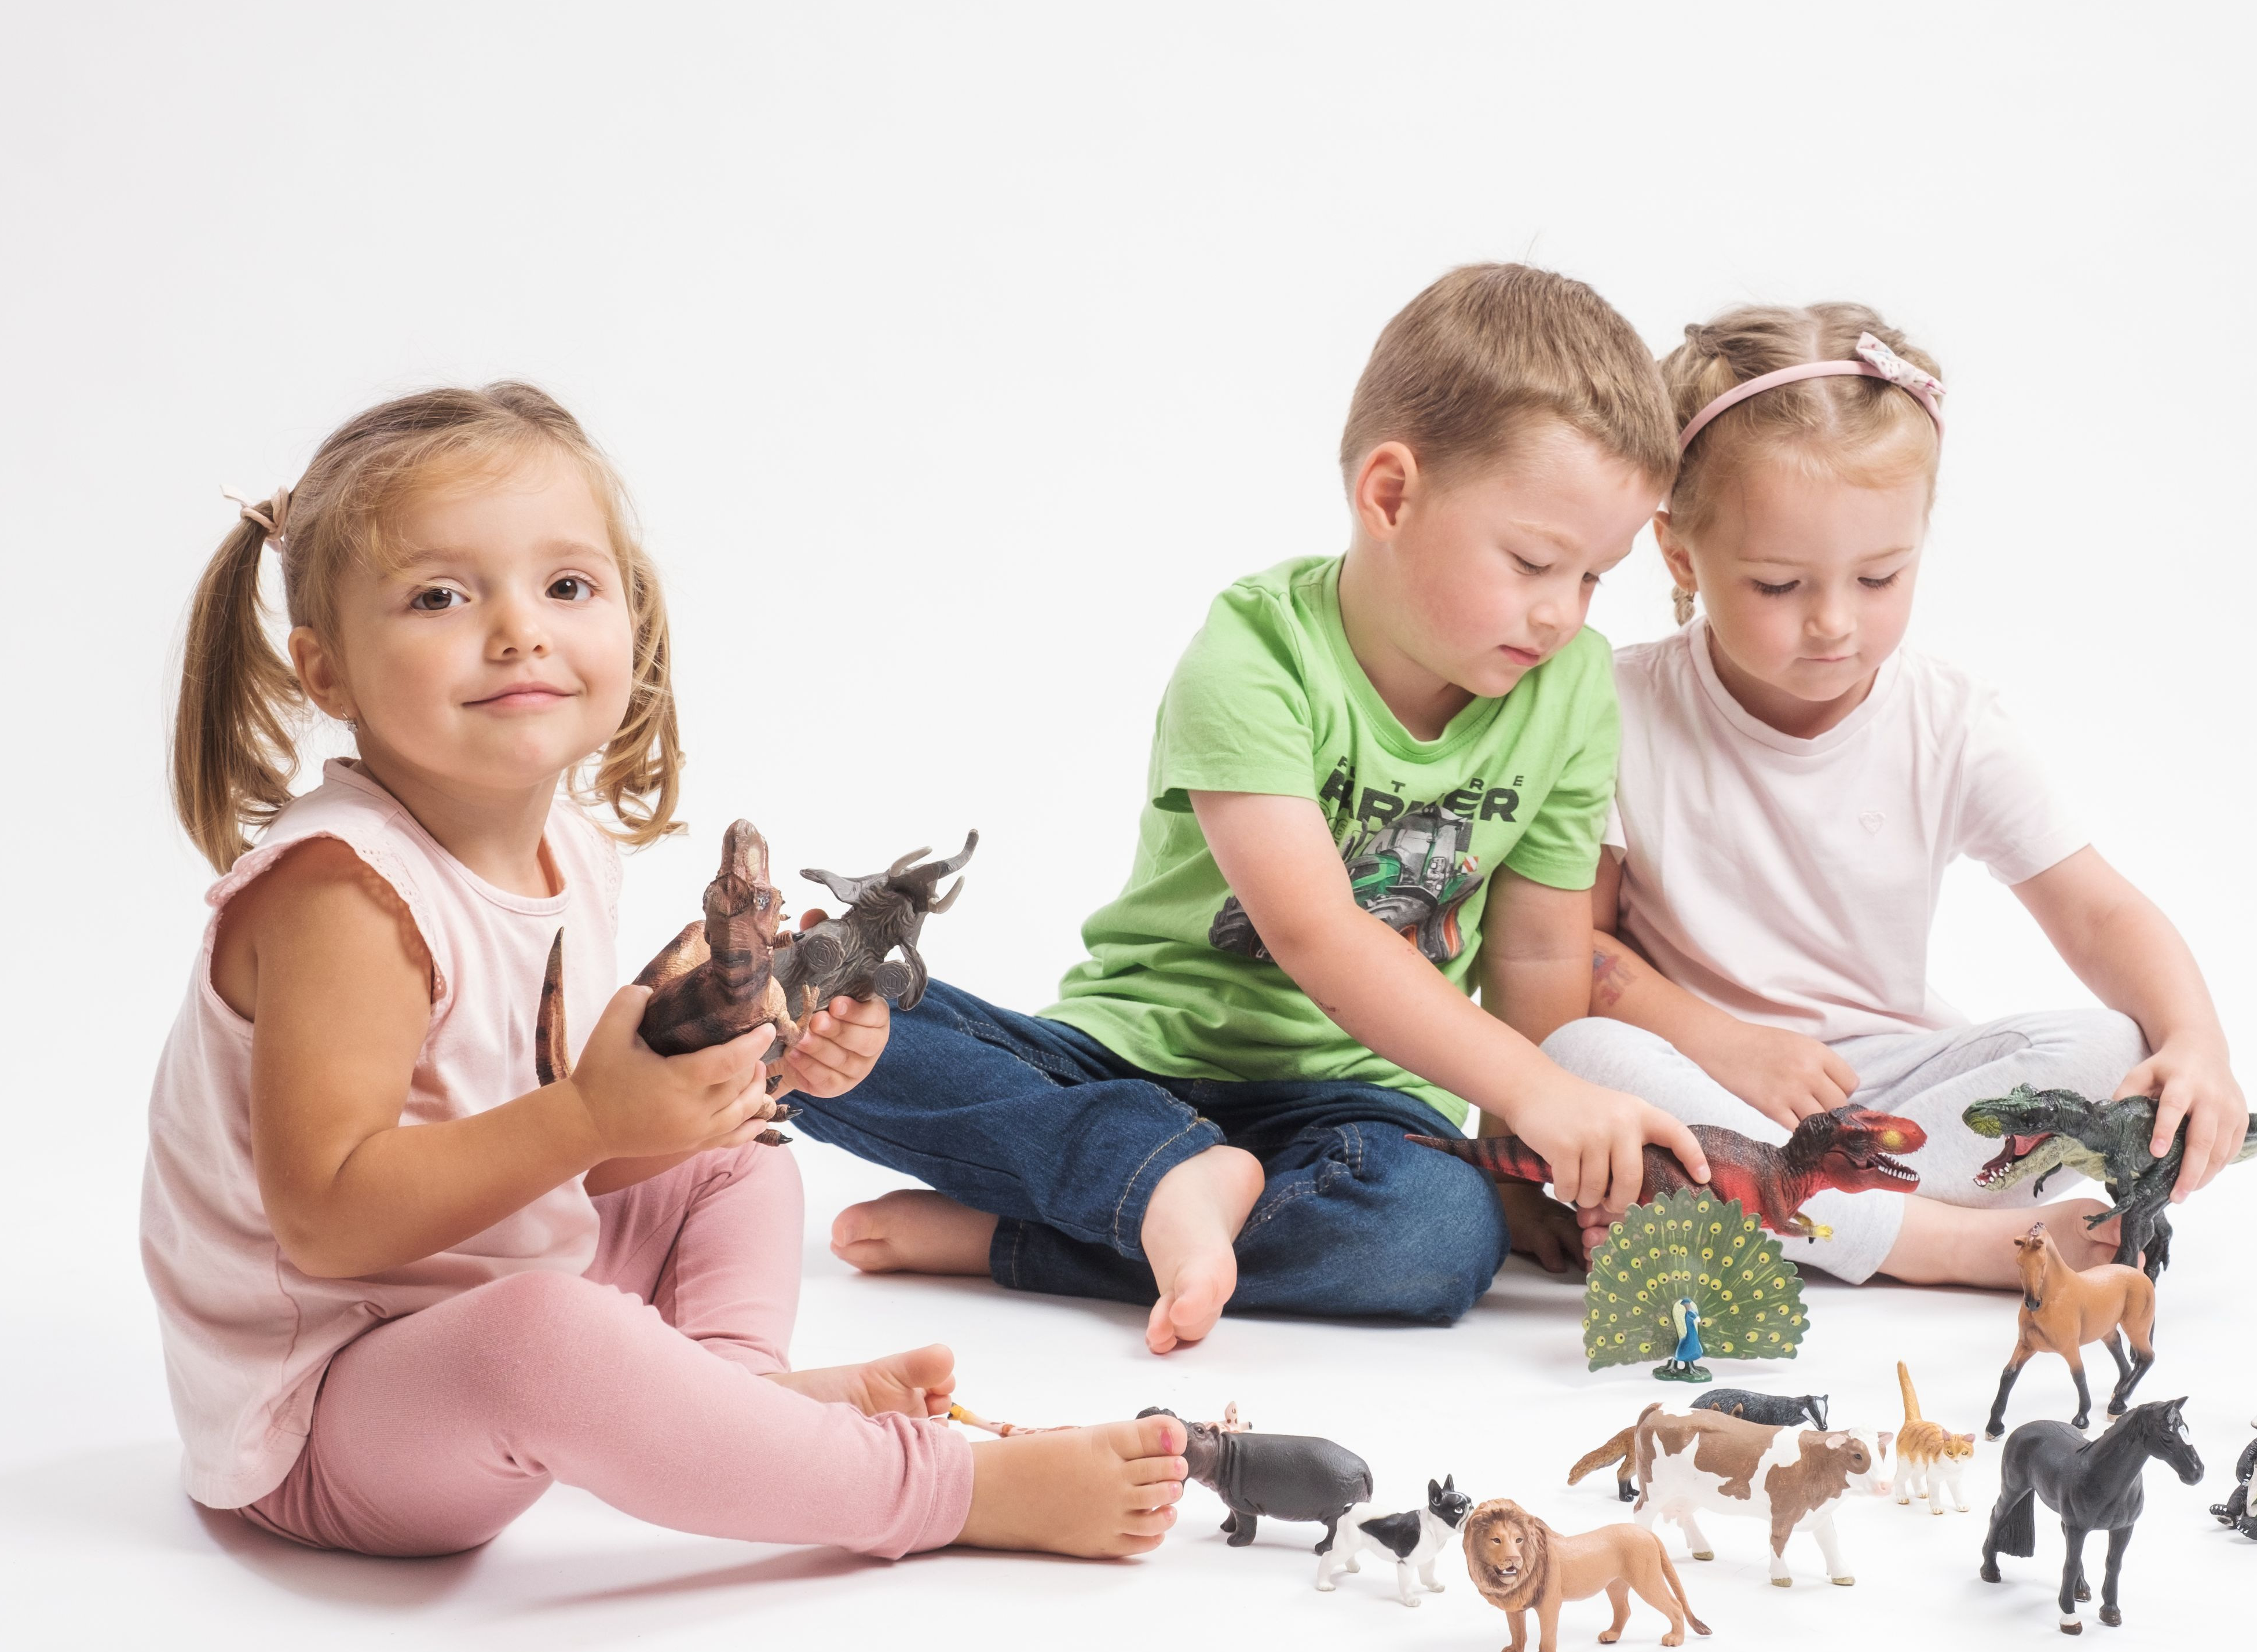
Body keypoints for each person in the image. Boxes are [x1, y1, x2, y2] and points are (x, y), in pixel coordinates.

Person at [142, 382, 1183, 1561]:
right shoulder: (345, 893)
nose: (519, 630)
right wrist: (591, 1115)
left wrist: (731, 1084)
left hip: (474, 1284)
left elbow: (551, 1145)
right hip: (331, 1415)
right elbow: (330, 1223)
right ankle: (943, 1492)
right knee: (544, 1336)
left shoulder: (567, 847)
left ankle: (734, 1408)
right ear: (326, 673)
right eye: (439, 596)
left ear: (629, 618)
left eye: (566, 586)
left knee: (737, 1162)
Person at [798, 264, 1700, 1352]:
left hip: (1351, 1105)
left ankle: (1038, 1223)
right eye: (1533, 562)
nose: (1560, 614)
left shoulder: (1572, 690)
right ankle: (1153, 1174)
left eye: (1594, 577)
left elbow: (1538, 956)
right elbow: (1315, 933)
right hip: (1130, 1062)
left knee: (1433, 1235)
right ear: (1390, 496)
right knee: (791, 1008)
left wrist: (1519, 1155)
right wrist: (1541, 1091)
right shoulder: (1255, 655)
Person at [1543, 304, 2247, 1291]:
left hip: (1888, 1097)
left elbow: (2096, 910)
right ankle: (1947, 1243)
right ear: (1679, 555)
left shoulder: (1946, 721)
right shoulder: (1615, 708)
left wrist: (2197, 1043)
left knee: (2106, 1046)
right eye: (1778, 585)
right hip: (1703, 1078)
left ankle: (1791, 1221)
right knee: (1580, 1052)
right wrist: (1731, 1047)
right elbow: (1573, 948)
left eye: (1878, 577)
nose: (1834, 623)